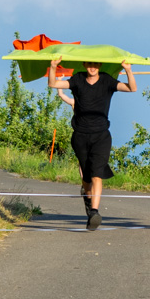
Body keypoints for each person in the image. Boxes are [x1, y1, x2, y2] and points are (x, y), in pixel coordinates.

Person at [48, 58, 136, 230]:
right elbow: (53, 84)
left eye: (95, 64)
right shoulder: (78, 79)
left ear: (100, 65)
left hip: (101, 136)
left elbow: (132, 88)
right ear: (85, 65)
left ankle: (94, 212)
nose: (92, 67)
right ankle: (88, 200)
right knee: (87, 178)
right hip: (80, 136)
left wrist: (128, 70)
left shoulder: (106, 81)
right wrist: (52, 66)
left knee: (97, 174)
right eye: (89, 64)